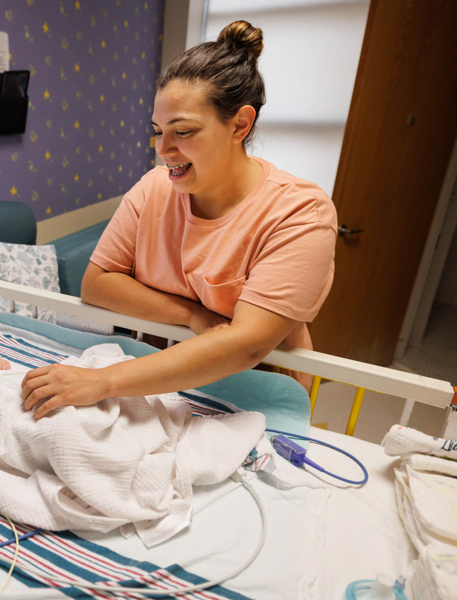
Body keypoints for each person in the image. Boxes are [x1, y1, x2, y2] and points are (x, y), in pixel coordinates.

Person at [21, 20, 337, 420]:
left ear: (240, 124)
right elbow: (97, 284)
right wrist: (191, 315)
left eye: (183, 131)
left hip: (252, 394)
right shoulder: (153, 190)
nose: (164, 150)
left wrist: (102, 381)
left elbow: (246, 344)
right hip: (156, 383)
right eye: (157, 132)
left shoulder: (299, 213)